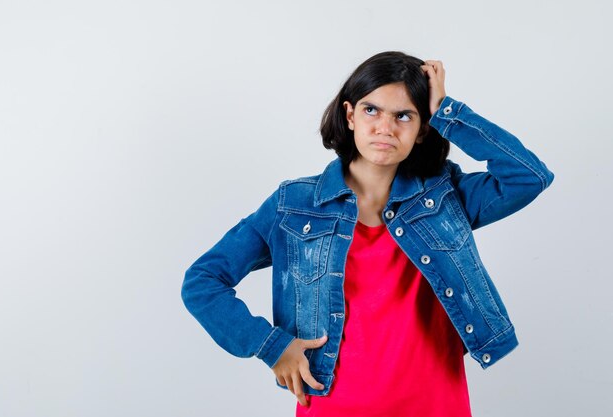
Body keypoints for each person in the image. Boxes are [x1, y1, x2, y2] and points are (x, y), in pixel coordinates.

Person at [181, 51, 554, 416]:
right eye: (371, 110)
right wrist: (270, 346)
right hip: (333, 405)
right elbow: (203, 281)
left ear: (423, 128)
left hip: (436, 404)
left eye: (404, 116)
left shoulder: (445, 196)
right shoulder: (294, 204)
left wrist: (447, 112)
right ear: (350, 115)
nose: (385, 128)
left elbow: (529, 176)